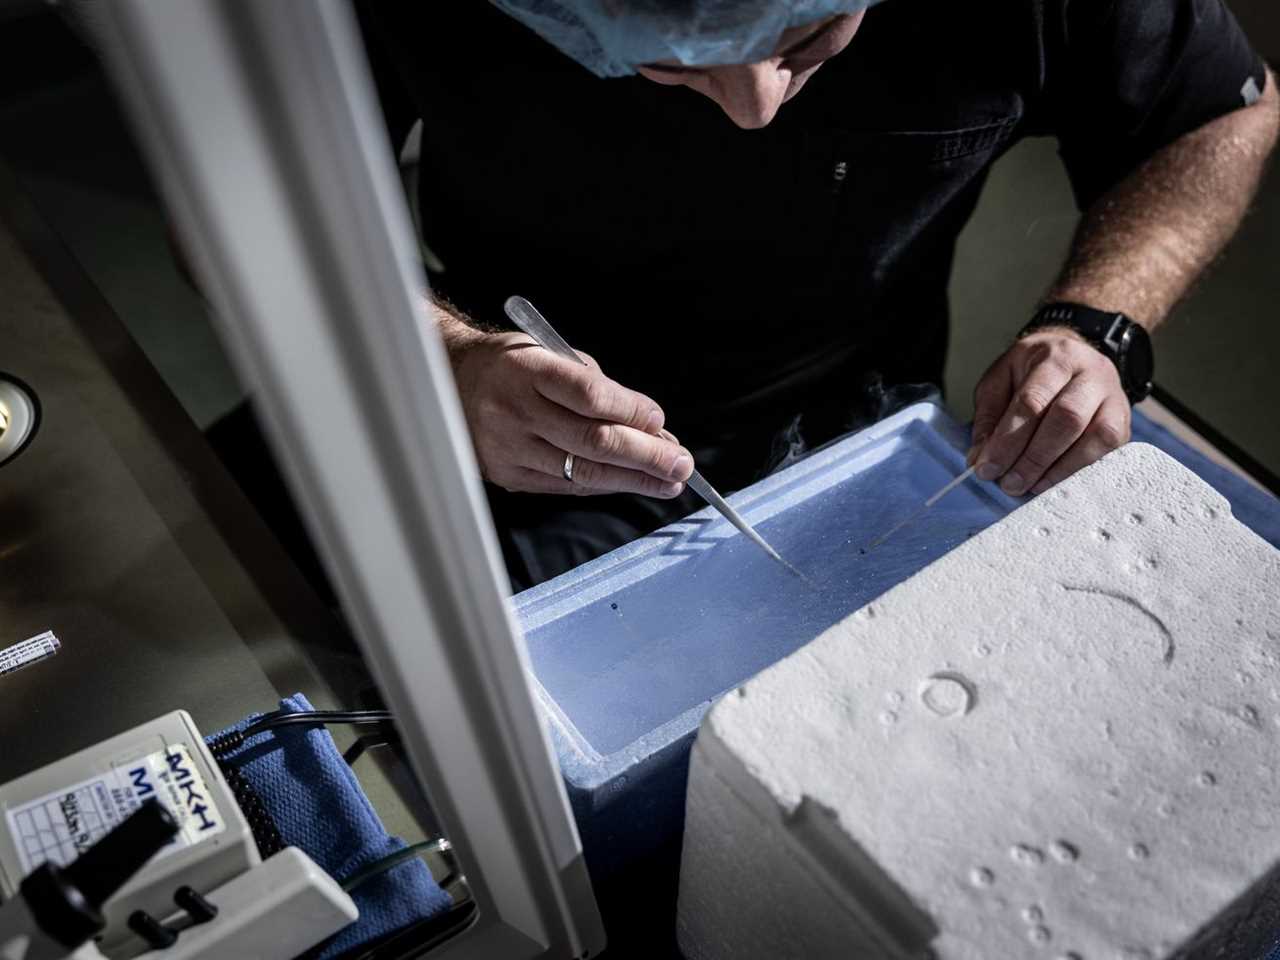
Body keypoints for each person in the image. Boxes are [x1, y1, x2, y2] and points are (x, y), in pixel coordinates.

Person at [354, 0, 1277, 591]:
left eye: (808, 34)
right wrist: (435, 357)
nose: (755, 106)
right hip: (485, 416)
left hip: (860, 417)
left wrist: (1098, 324)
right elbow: (224, 206)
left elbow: (1220, 117)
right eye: (671, 61)